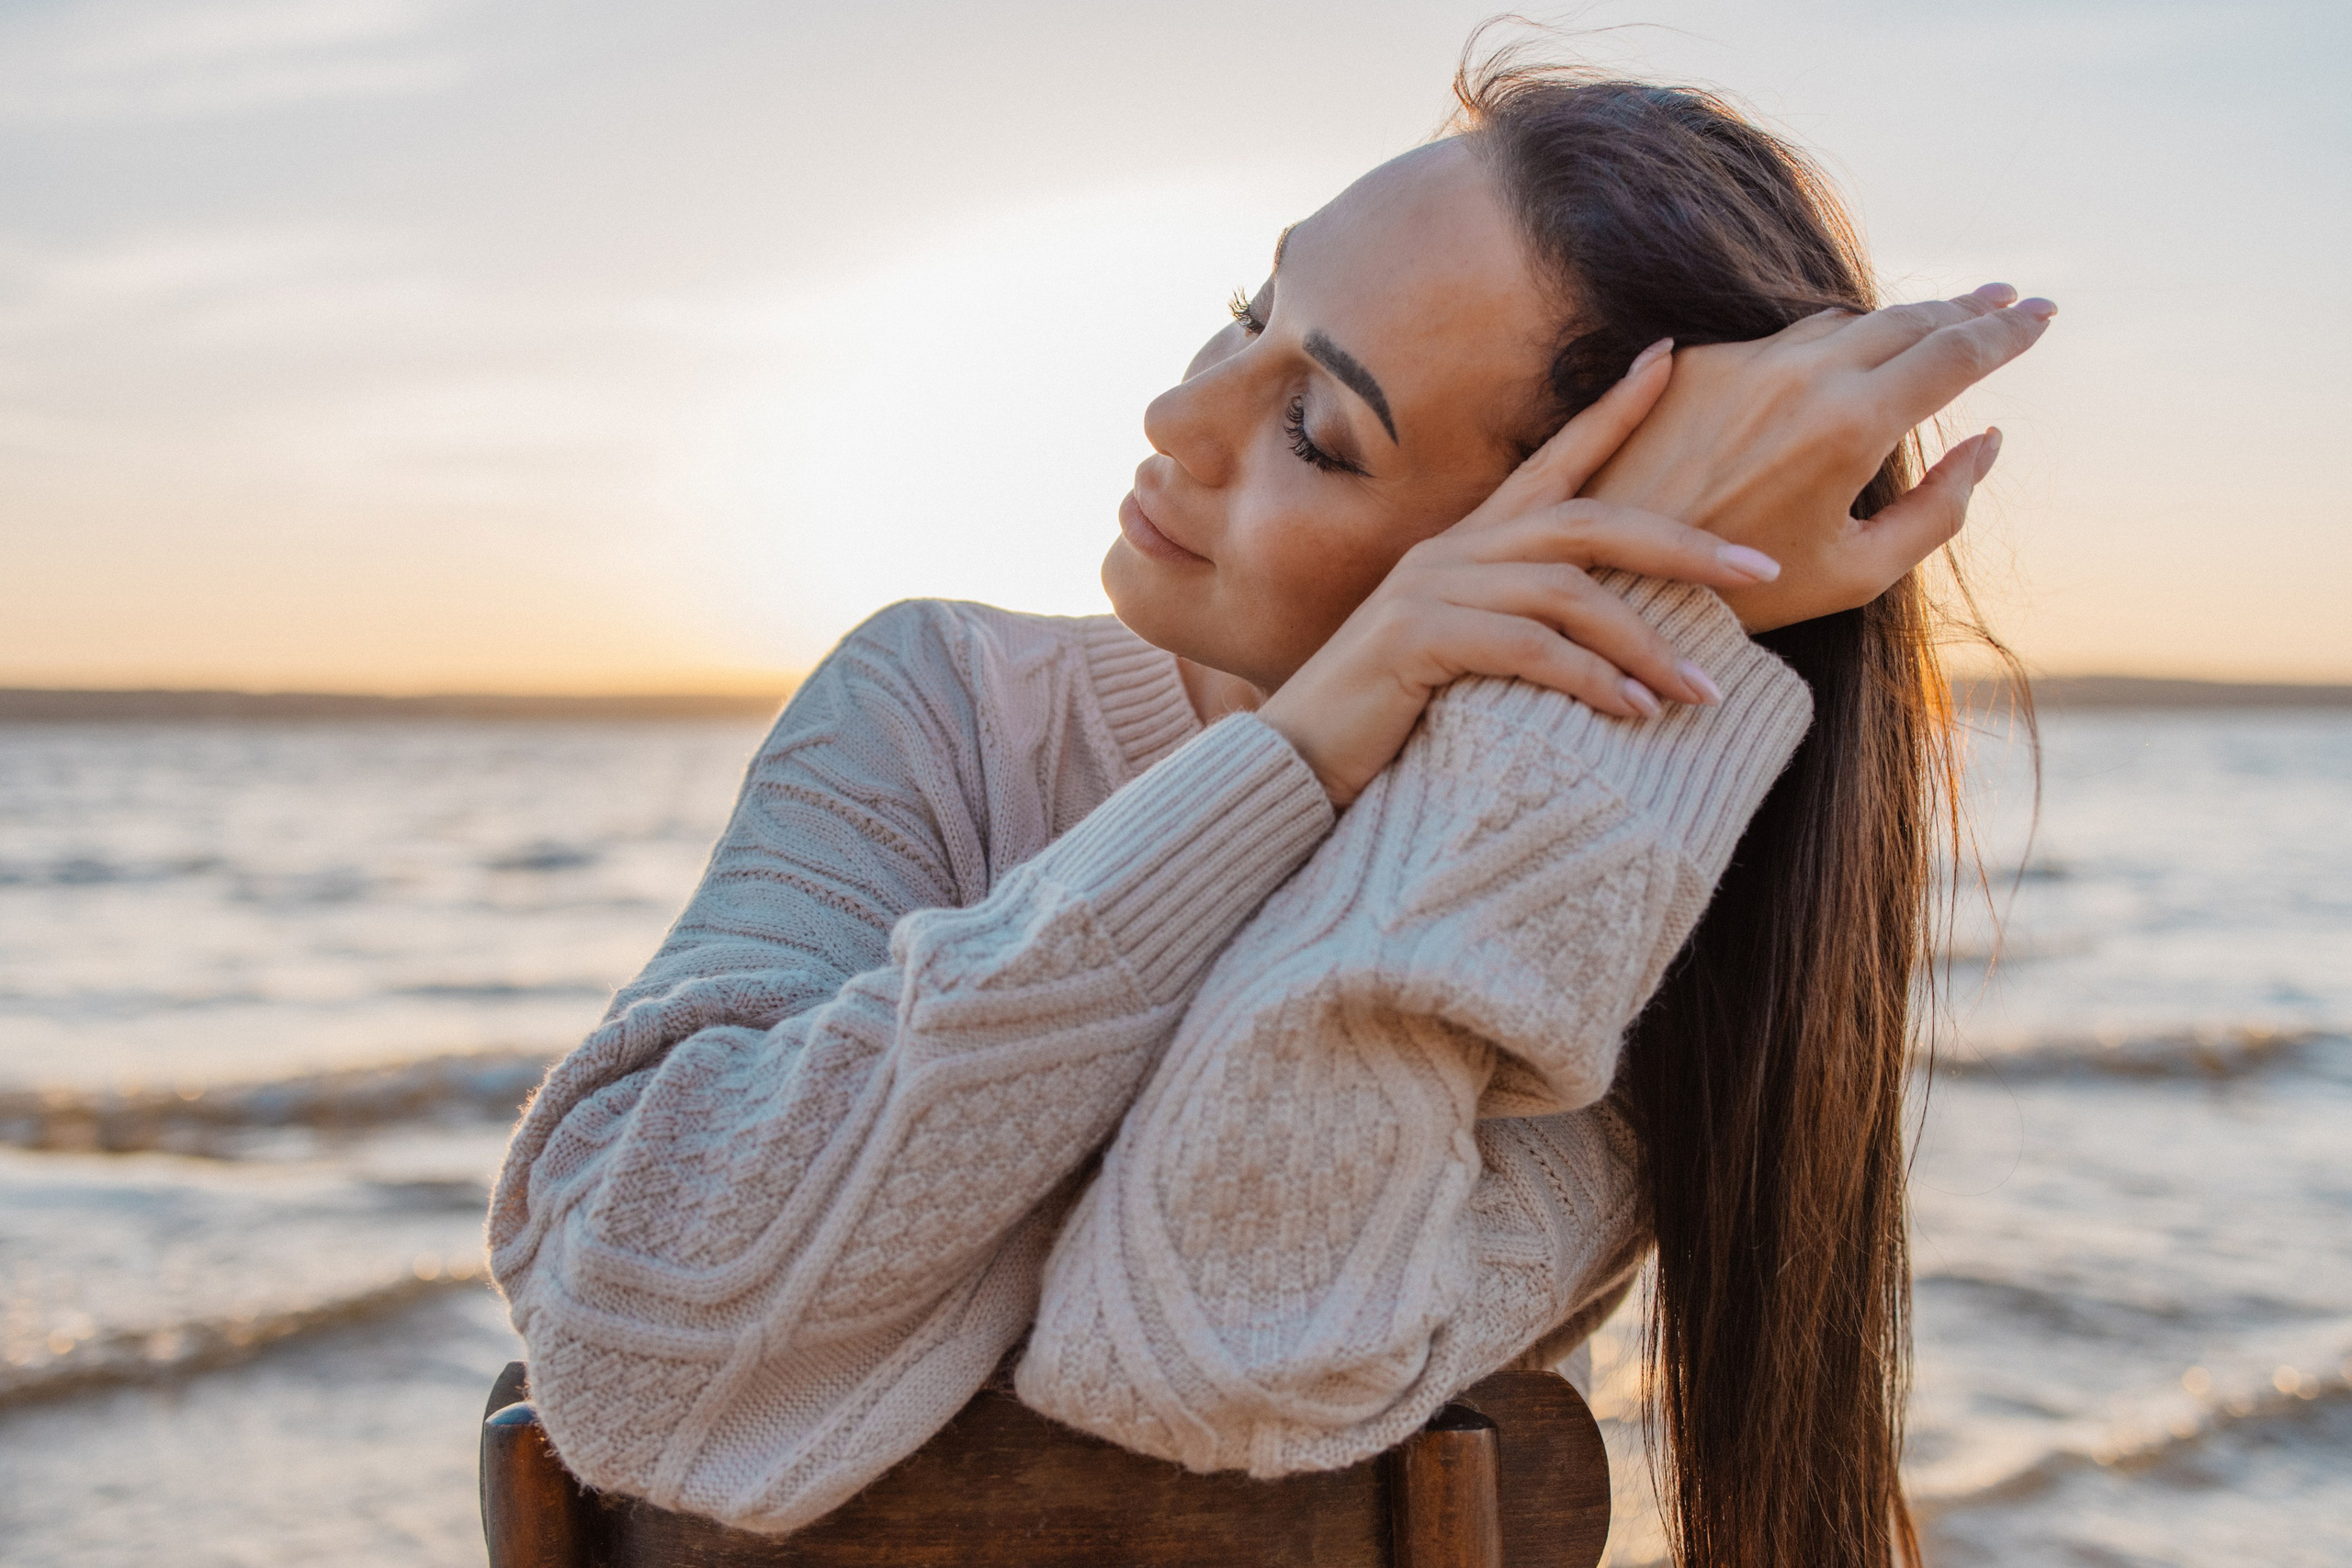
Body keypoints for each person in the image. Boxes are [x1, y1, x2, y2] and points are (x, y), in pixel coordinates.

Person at [488, 51, 2052, 1568]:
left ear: (1571, 566)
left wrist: (1533, 701)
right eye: (1253, 306)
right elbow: (635, 1332)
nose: (1183, 409)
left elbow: (1208, 1357)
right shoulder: (936, 707)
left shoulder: (1582, 915)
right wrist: (1313, 736)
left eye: (1320, 430)